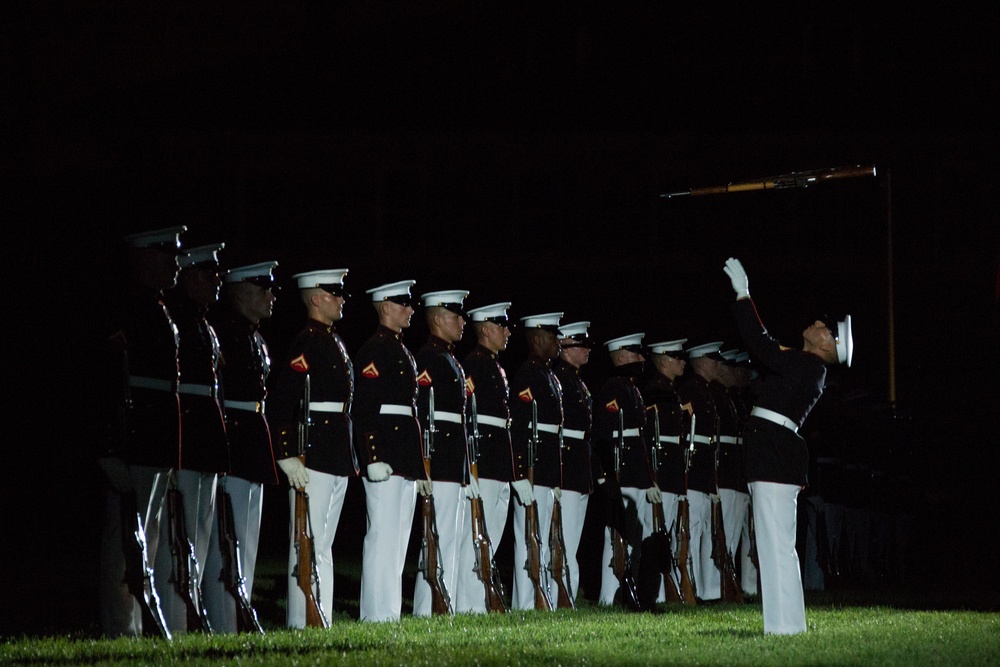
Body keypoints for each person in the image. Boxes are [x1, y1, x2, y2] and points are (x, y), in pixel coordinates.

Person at [723, 256, 853, 635]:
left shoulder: (811, 367)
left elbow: (762, 346)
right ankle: (785, 624)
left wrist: (744, 296)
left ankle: (784, 627)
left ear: (829, 344)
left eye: (822, 327)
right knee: (776, 543)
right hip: (774, 453)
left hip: (775, 454)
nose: (815, 325)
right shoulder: (807, 366)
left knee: (775, 543)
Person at [98, 225, 185, 638]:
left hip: (155, 436)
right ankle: (121, 628)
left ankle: (137, 624)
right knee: (123, 543)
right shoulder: (127, 306)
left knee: (145, 536)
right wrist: (108, 447)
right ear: (146, 258)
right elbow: (108, 381)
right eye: (167, 255)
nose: (175, 263)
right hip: (133, 436)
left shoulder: (157, 306)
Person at [267, 268, 359, 627]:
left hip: (334, 451)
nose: (341, 299)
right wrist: (286, 452)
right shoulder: (306, 341)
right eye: (335, 293)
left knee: (322, 544)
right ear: (316, 298)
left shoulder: (332, 340)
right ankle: (300, 619)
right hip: (313, 452)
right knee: (305, 542)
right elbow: (283, 401)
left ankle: (320, 614)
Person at [203, 260, 280, 633]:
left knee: (246, 538)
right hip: (233, 437)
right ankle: (223, 620)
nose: (271, 295)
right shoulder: (225, 334)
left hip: (252, 437)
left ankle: (239, 611)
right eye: (263, 289)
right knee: (225, 539)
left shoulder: (254, 337)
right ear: (241, 293)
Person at [159, 241, 230, 633]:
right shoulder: (179, 320)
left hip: (204, 435)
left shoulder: (201, 322)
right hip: (186, 433)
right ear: (187, 276)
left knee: (198, 536)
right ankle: (175, 619)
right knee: (178, 537)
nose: (216, 280)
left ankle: (189, 614)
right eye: (208, 273)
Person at [353, 279, 424, 622]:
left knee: (398, 539)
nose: (410, 310)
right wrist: (372, 456)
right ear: (385, 308)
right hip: (385, 453)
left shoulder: (399, 349)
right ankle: (374, 614)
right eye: (402, 304)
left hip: (404, 454)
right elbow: (364, 408)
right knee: (381, 535)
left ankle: (389, 612)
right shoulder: (373, 350)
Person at [412, 289, 473, 616]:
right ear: (437, 319)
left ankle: (444, 603)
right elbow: (423, 413)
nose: (463, 321)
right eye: (455, 316)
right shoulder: (428, 359)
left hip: (454, 458)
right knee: (435, 537)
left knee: (450, 536)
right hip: (440, 458)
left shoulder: (449, 358)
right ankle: (427, 607)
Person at [593, 333, 656, 606]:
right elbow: (605, 436)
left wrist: (649, 479)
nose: (642, 358)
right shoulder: (613, 389)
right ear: (620, 357)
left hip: (636, 474)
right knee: (617, 537)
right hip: (623, 473)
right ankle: (609, 596)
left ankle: (627, 592)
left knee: (633, 539)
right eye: (635, 353)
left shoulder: (630, 388)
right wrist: (606, 476)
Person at [461, 301, 516, 613]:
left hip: (499, 460)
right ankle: (470, 602)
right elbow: (468, 415)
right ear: (484, 329)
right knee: (477, 536)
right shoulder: (474, 365)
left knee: (491, 535)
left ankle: (481, 599)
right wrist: (471, 465)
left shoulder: (495, 366)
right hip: (483, 458)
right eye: (501, 325)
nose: (507, 331)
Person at [508, 312, 564, 610]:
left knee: (541, 537)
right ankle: (525, 602)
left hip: (545, 468)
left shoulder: (547, 375)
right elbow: (519, 427)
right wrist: (519, 472)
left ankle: (541, 597)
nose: (559, 342)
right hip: (532, 467)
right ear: (539, 339)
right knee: (528, 537)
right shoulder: (529, 375)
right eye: (554, 337)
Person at [641, 338, 691, 602]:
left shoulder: (671, 391)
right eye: (676, 357)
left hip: (671, 471)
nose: (683, 362)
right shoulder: (655, 392)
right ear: (662, 360)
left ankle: (661, 591)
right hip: (661, 469)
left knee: (666, 531)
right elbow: (650, 437)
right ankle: (653, 592)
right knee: (654, 531)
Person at [676, 339, 724, 602]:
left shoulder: (706, 391)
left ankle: (708, 590)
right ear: (703, 361)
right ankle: (689, 587)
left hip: (704, 472)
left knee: (706, 530)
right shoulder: (691, 391)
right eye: (714, 360)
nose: (718, 365)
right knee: (691, 532)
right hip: (693, 471)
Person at [552, 320, 595, 603]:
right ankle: (559, 592)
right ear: (565, 348)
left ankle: (567, 590)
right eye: (581, 344)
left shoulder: (576, 379)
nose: (587, 349)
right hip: (566, 463)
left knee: (573, 536)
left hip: (579, 463)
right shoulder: (560, 378)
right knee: (564, 535)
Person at [710, 347, 750, 596]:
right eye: (733, 368)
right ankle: (715, 586)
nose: (739, 374)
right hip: (723, 472)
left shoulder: (731, 397)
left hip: (734, 472)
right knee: (721, 533)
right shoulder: (715, 395)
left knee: (732, 534)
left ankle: (727, 583)